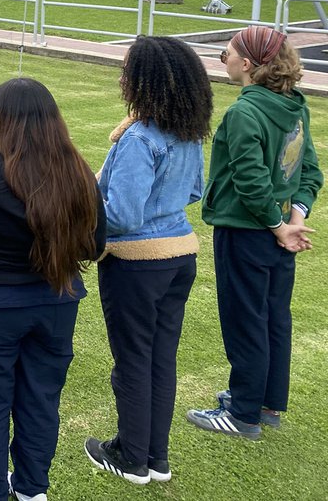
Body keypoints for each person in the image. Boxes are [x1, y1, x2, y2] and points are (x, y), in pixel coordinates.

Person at [0, 78, 106, 501]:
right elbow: (94, 244)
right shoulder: (77, 172)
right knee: (40, 399)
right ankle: (28, 490)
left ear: (0, 120)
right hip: (53, 306)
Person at [84, 36, 212, 485]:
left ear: (147, 79)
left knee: (134, 361)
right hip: (179, 257)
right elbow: (194, 191)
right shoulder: (187, 131)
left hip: (137, 264)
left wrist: (83, 214)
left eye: (127, 71)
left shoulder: (139, 138)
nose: (122, 78)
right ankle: (156, 456)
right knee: (161, 359)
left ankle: (132, 456)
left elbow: (121, 215)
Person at [187, 26, 321, 440]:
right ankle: (266, 403)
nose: (222, 60)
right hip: (278, 232)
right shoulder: (295, 106)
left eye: (225, 53)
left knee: (246, 319)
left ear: (246, 64)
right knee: (274, 317)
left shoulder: (244, 113)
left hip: (247, 232)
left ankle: (243, 414)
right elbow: (309, 171)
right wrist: (292, 220)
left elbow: (251, 181)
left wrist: (281, 227)